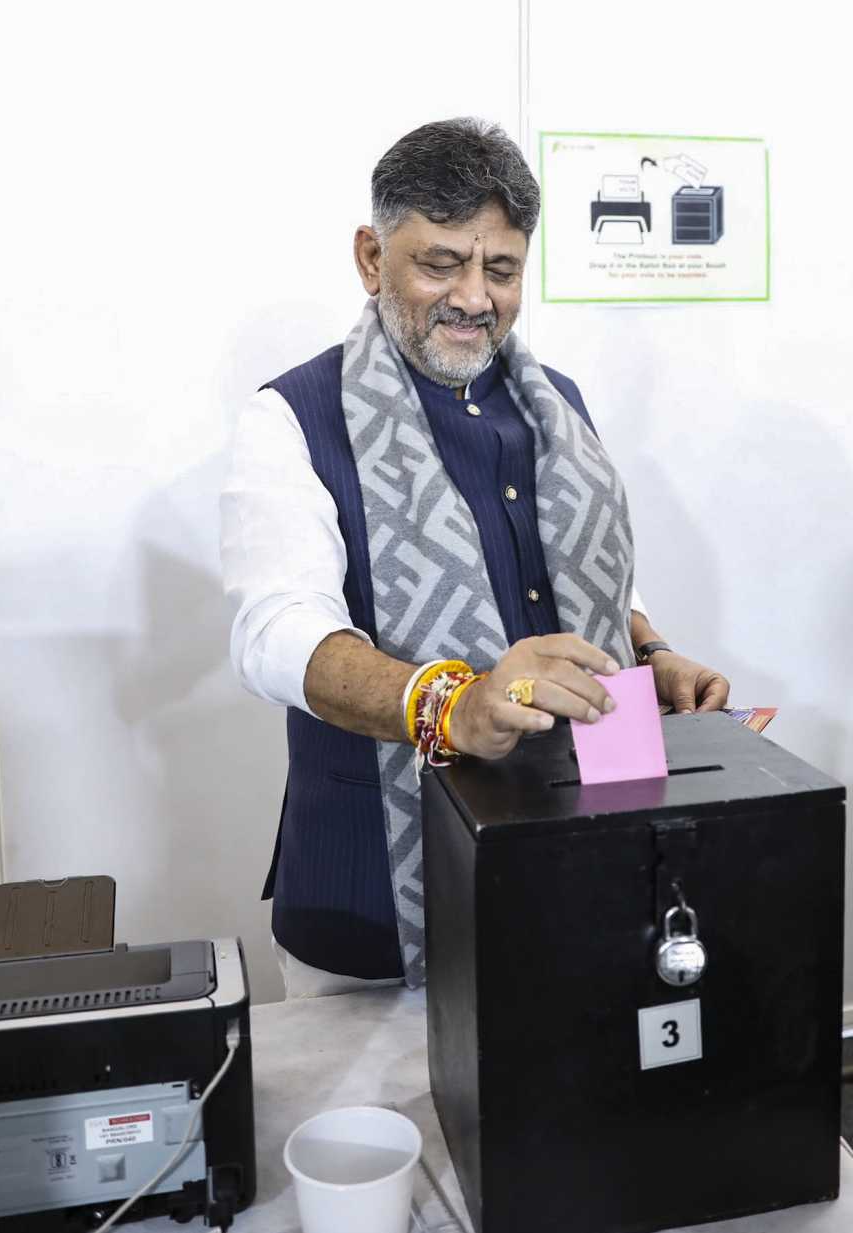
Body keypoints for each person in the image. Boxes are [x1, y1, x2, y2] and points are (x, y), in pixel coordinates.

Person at [221, 118, 729, 998]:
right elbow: (274, 631)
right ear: (371, 258)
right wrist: (450, 703)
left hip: (567, 866)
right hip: (370, 905)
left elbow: (584, 572)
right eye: (440, 262)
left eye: (500, 269)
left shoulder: (557, 402)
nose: (474, 297)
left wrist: (649, 650)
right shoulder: (291, 417)